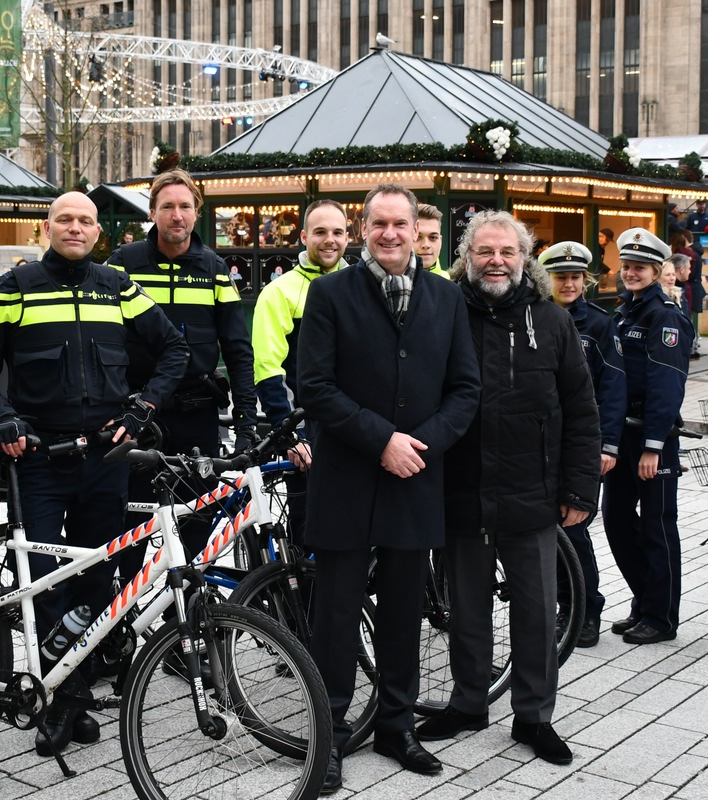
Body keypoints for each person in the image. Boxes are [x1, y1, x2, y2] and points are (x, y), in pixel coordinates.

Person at [0, 191, 187, 756]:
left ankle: (76, 694)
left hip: (104, 463)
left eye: (86, 221)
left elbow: (174, 350)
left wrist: (143, 409)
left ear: (97, 233)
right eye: (65, 218)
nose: (76, 227)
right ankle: (59, 704)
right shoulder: (16, 285)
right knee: (46, 581)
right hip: (38, 460)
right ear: (48, 227)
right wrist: (3, 416)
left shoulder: (117, 285)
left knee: (95, 581)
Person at [298, 185, 481, 792]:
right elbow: (315, 387)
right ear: (363, 229)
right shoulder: (328, 294)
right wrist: (382, 440)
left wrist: (420, 443)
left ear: (416, 229)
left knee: (405, 611)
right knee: (336, 616)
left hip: (416, 477)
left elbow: (466, 390)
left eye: (401, 224)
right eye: (379, 224)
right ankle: (329, 734)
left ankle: (396, 726)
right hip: (348, 477)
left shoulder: (447, 299)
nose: (391, 234)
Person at [417, 210, 601, 767]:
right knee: (466, 608)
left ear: (524, 259)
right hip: (463, 490)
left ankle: (534, 718)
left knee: (536, 611)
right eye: (484, 251)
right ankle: (469, 704)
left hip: (534, 491)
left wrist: (578, 487)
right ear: (466, 258)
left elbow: (581, 408)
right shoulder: (445, 313)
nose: (496, 261)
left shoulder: (551, 320)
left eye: (507, 252)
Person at [106, 168, 257, 586]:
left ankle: (183, 626)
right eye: (167, 206)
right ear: (152, 212)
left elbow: (238, 352)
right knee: (129, 527)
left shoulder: (214, 268)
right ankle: (122, 623)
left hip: (197, 416)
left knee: (198, 523)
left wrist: (246, 421)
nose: (177, 215)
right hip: (139, 418)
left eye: (185, 206)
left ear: (197, 213)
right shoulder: (122, 264)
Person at [602, 228, 692, 645]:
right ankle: (645, 600)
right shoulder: (626, 312)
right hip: (624, 435)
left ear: (657, 271)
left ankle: (661, 617)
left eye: (640, 267)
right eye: (627, 266)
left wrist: (654, 445)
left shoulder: (665, 316)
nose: (631, 272)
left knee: (657, 528)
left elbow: (666, 386)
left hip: (653, 440)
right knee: (618, 521)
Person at [540, 242, 628, 648]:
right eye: (562, 277)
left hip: (579, 444)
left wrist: (607, 445)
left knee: (574, 531)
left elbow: (612, 389)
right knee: (546, 531)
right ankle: (561, 607)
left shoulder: (598, 323)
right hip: (539, 445)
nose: (570, 284)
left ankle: (586, 610)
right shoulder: (532, 316)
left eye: (576, 277)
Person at [250, 199, 348, 543]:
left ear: (349, 237)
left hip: (357, 432)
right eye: (320, 232)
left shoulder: (361, 287)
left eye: (338, 232)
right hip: (309, 436)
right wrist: (292, 435)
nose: (329, 240)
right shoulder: (279, 291)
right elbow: (267, 369)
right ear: (304, 236)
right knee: (309, 534)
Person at [669, 229, 704, 358]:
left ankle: (687, 346)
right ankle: (690, 346)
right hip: (692, 288)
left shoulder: (681, 255)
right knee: (687, 318)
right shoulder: (694, 254)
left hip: (687, 288)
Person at [414, 203, 449, 277]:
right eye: (418, 237)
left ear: (441, 241)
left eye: (433, 237)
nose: (426, 245)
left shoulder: (452, 284)